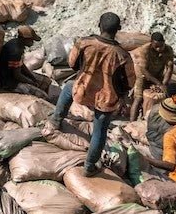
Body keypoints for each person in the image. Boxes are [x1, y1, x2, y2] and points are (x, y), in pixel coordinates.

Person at [49, 11, 131, 174]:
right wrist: (122, 96)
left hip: (83, 89)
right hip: (106, 98)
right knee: (99, 131)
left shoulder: (84, 43)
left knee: (68, 88)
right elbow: (129, 82)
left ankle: (56, 120)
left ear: (99, 25)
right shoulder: (122, 55)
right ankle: (89, 166)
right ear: (119, 29)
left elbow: (72, 64)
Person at [0, 26, 42, 93]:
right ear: (25, 39)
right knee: (40, 94)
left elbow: (21, 64)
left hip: (14, 73)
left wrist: (32, 77)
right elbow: (17, 75)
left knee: (42, 81)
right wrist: (31, 82)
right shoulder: (16, 51)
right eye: (31, 40)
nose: (32, 42)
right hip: (7, 79)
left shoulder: (17, 44)